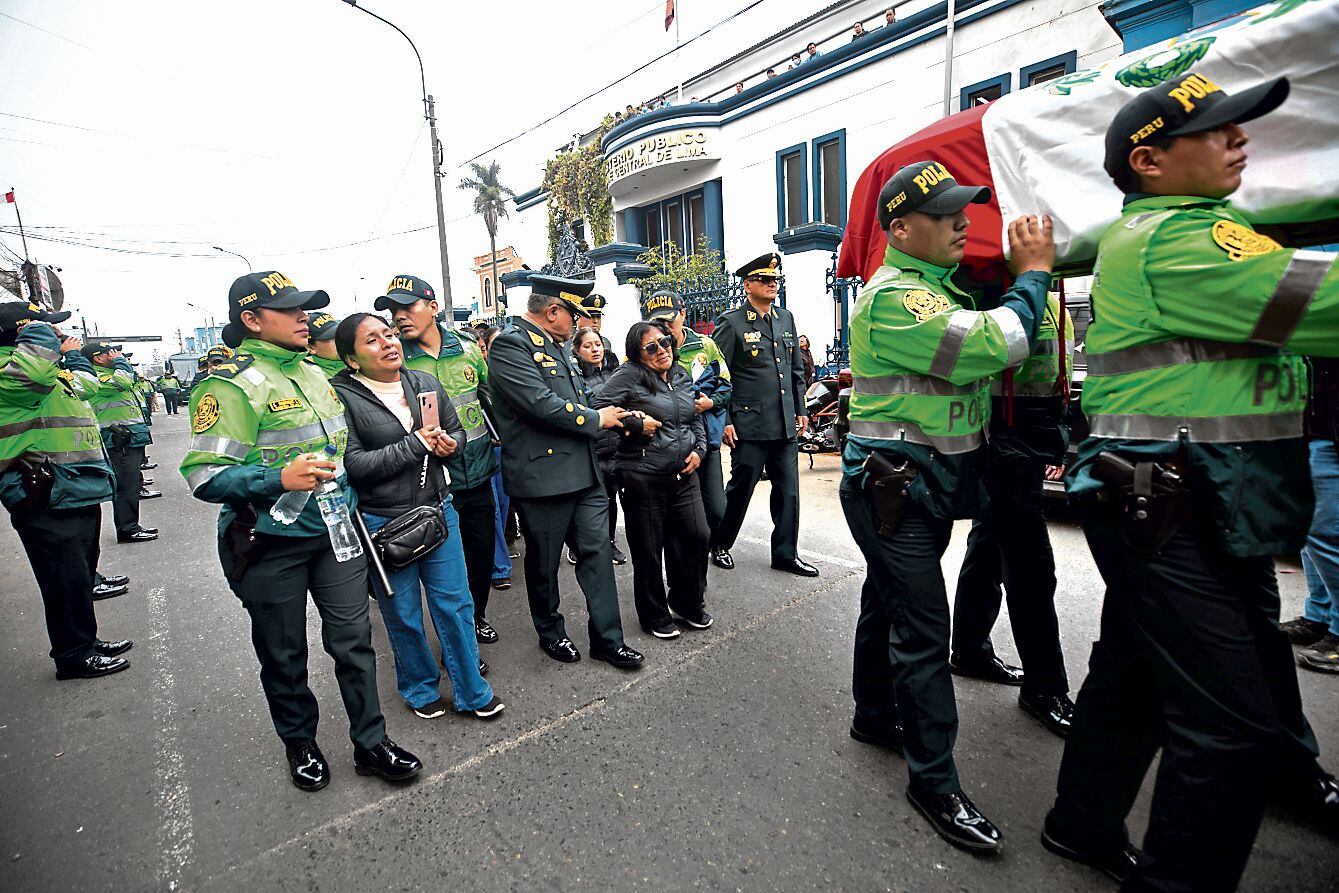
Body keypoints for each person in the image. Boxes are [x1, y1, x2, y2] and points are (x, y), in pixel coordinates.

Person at [1045, 73, 1339, 888]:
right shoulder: (1177, 239)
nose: (1239, 139)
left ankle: (1081, 821)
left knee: (1135, 671)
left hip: (1189, 495)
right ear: (1149, 160)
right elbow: (1324, 305)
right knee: (1235, 728)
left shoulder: (1198, 229)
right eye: (1218, 130)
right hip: (1169, 502)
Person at [840, 160, 1054, 852]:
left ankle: (873, 714)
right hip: (892, 487)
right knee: (924, 632)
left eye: (966, 209)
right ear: (900, 228)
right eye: (946, 213)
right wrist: (1030, 275)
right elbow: (994, 343)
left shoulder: (942, 287)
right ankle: (933, 782)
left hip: (918, 485)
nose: (963, 222)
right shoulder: (898, 297)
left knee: (887, 598)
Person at [180, 271, 420, 792]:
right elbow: (204, 475)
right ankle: (301, 745)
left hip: (336, 534)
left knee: (355, 643)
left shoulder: (314, 372)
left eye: (303, 307)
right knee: (285, 654)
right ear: (252, 320)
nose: (302, 316)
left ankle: (370, 743)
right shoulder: (229, 385)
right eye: (289, 309)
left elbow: (341, 451)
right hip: (270, 544)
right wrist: (275, 479)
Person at [331, 313, 504, 721]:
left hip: (438, 509)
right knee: (403, 613)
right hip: (381, 521)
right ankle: (419, 686)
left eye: (388, 334)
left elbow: (456, 431)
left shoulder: (424, 383)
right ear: (352, 359)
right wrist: (415, 446)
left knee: (455, 604)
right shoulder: (341, 397)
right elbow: (352, 463)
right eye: (372, 340)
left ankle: (472, 691)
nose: (388, 343)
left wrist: (449, 445)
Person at [486, 274, 644, 669]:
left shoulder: (556, 348)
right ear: (553, 311)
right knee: (544, 564)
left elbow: (581, 398)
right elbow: (540, 404)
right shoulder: (511, 345)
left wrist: (621, 415)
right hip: (544, 479)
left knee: (596, 557)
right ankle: (551, 633)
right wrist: (597, 419)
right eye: (575, 313)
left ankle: (608, 640)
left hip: (585, 473)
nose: (580, 322)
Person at [949, 287, 1076, 737]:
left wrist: (1055, 441)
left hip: (1028, 438)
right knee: (1032, 567)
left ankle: (968, 650)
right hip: (1002, 443)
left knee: (987, 548)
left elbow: (1048, 375)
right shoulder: (997, 291)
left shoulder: (1049, 290)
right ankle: (1044, 687)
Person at [0, 302, 132, 680]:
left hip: (72, 483)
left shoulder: (43, 368)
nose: (59, 334)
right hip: (40, 488)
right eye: (46, 326)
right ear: (25, 332)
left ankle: (85, 641)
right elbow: (30, 379)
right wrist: (42, 336)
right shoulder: (17, 370)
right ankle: (73, 655)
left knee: (79, 573)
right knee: (63, 578)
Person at [377, 274, 502, 647]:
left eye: (407, 306)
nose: (399, 317)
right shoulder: (393, 360)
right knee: (439, 571)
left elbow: (490, 395)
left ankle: (476, 617)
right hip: (425, 487)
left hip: (476, 475)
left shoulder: (465, 348)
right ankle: (451, 636)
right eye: (393, 310)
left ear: (433, 307)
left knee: (479, 559)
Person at [594, 321, 711, 638]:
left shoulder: (680, 374)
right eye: (652, 347)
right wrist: (631, 422)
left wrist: (699, 449)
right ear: (637, 354)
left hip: (684, 475)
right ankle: (654, 615)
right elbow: (596, 408)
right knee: (648, 550)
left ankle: (687, 603)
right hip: (642, 477)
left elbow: (692, 416)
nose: (662, 350)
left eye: (665, 342)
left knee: (697, 537)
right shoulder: (628, 375)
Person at [708, 252, 815, 577]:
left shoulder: (786, 319)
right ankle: (720, 543)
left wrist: (800, 409)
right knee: (741, 488)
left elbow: (795, 370)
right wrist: (724, 419)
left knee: (789, 492)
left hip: (784, 423)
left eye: (775, 280)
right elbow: (718, 374)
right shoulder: (732, 322)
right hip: (749, 424)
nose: (772, 285)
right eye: (765, 280)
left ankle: (785, 553)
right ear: (748, 285)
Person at [646, 290, 733, 543]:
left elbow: (726, 385)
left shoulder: (705, 345)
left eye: (669, 321)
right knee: (679, 511)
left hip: (705, 434)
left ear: (683, 315)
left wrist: (710, 404)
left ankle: (718, 546)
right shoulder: (649, 349)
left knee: (716, 506)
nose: (665, 329)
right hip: (669, 440)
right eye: (658, 322)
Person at [1282, 357, 1339, 671]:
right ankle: (1319, 615)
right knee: (1310, 529)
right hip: (1313, 425)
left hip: (1330, 431)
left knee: (1324, 532)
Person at [83, 342, 157, 544]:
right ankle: (128, 528)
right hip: (118, 438)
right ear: (97, 358)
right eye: (110, 353)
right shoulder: (97, 376)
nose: (116, 355)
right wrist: (121, 363)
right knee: (126, 485)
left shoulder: (111, 373)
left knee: (130, 483)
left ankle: (130, 525)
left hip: (128, 436)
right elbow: (122, 382)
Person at [572, 326, 627, 565]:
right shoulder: (575, 378)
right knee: (590, 501)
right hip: (590, 450)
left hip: (615, 447)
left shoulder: (615, 373)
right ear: (577, 350)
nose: (595, 350)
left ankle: (610, 542)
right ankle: (578, 544)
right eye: (588, 346)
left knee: (610, 498)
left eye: (597, 344)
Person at [477, 326, 515, 591]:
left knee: (503, 508)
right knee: (490, 508)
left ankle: (494, 554)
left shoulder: (518, 373)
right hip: (483, 450)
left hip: (509, 450)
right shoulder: (478, 380)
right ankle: (499, 566)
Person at [585, 293, 620, 372]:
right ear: (579, 317)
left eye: (598, 317)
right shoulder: (569, 343)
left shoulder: (605, 342)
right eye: (591, 317)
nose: (596, 321)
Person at [305, 311, 345, 378]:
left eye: (340, 334)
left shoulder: (359, 363)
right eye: (333, 338)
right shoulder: (312, 378)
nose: (341, 340)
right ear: (310, 347)